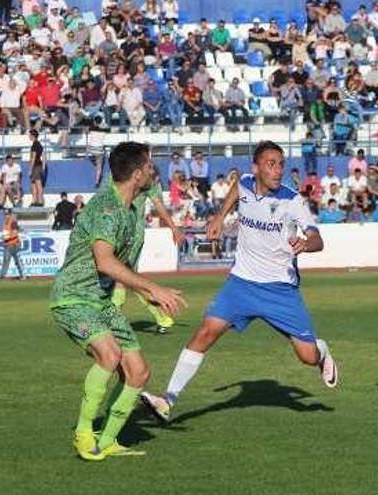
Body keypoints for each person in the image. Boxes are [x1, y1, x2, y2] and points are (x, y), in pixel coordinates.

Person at [140, 141, 339, 423]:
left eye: (281, 164)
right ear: (255, 168)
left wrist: (307, 244)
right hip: (241, 283)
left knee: (307, 357)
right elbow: (236, 190)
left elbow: (317, 238)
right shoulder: (245, 183)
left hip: (279, 289)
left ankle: (321, 350)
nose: (278, 169)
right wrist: (220, 216)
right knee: (204, 333)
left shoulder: (292, 200)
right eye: (271, 164)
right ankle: (167, 400)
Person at [50, 142, 186, 461]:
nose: (155, 171)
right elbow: (105, 262)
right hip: (74, 297)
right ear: (138, 175)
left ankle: (106, 440)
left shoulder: (131, 206)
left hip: (102, 301)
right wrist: (153, 290)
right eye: (150, 166)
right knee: (109, 355)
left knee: (139, 373)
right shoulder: (107, 207)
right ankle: (84, 435)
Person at [110, 166, 186, 334]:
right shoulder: (121, 178)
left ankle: (111, 321)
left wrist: (174, 228)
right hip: (122, 233)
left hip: (131, 234)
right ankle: (162, 318)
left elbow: (158, 205)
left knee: (121, 277)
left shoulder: (144, 182)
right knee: (130, 279)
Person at [0, 209, 26, 280]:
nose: (6, 216)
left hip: (14, 244)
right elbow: (7, 233)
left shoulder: (13, 221)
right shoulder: (5, 222)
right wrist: (4, 239)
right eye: (5, 214)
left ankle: (23, 275)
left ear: (10, 214)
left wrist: (7, 238)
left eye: (7, 214)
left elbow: (15, 233)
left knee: (17, 261)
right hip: (7, 244)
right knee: (6, 261)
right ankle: (2, 276)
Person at [28, 130, 45, 206]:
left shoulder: (35, 145)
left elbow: (33, 158)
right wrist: (43, 167)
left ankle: (40, 201)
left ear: (33, 136)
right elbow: (44, 157)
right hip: (39, 166)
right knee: (34, 184)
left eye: (30, 135)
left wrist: (30, 169)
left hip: (36, 167)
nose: (29, 137)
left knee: (38, 184)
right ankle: (35, 201)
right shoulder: (40, 145)